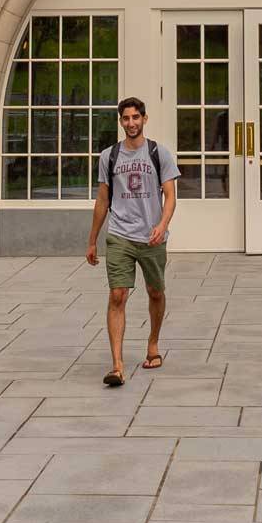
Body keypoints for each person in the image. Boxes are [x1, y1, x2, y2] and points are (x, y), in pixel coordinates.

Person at [84, 96, 177, 387]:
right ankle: (117, 366)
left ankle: (152, 345)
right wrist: (92, 240)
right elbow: (102, 200)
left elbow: (171, 196)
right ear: (120, 121)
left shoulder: (158, 153)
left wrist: (162, 225)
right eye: (126, 118)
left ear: (144, 119)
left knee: (156, 293)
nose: (131, 123)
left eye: (136, 117)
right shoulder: (109, 156)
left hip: (151, 237)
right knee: (117, 296)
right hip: (120, 234)